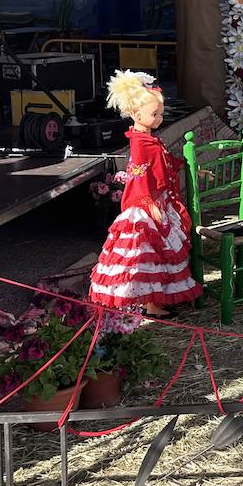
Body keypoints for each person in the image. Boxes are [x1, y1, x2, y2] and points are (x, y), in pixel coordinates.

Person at [88, 71, 200, 316]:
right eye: (154, 114)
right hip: (145, 203)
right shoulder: (140, 143)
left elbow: (163, 161)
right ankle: (150, 303)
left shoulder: (149, 139)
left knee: (158, 253)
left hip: (155, 200)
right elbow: (139, 176)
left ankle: (157, 299)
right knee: (145, 255)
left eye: (160, 114)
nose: (159, 119)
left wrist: (186, 167)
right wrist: (148, 202)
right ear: (137, 115)